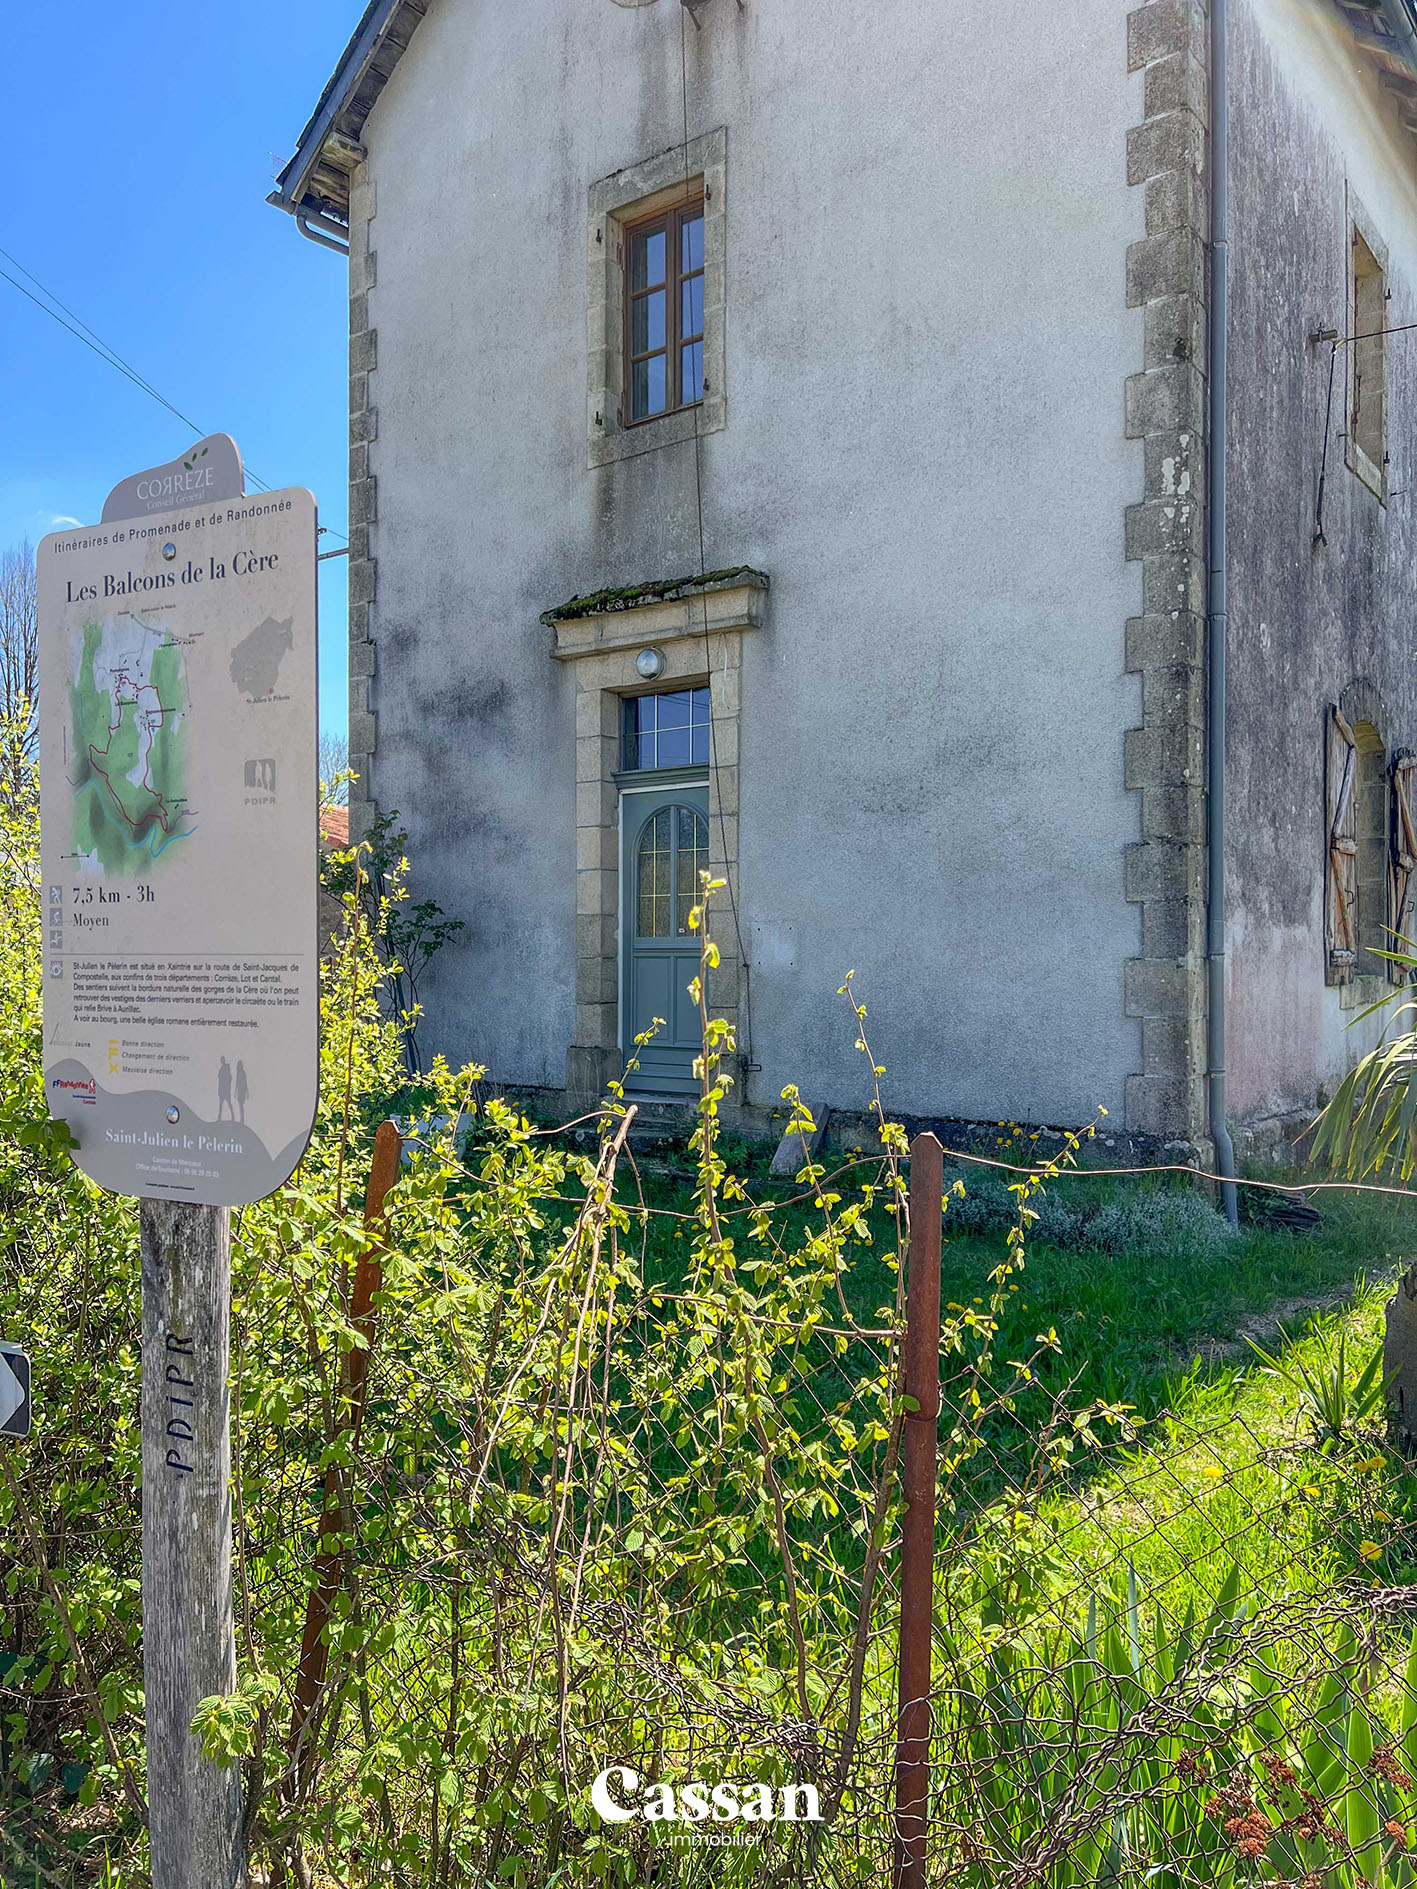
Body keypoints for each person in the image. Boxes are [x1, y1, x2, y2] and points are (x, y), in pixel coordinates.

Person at [217, 1057, 233, 1121]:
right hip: (222, 1090)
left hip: (225, 1090)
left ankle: (232, 1116)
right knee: (221, 1105)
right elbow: (220, 1080)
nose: (222, 1061)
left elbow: (229, 1079)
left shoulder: (226, 1068)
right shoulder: (222, 1069)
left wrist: (228, 1089)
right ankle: (219, 1118)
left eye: (222, 1060)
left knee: (228, 1104)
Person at [235, 1060, 249, 1125]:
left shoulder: (242, 1073)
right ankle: (242, 1118)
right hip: (240, 1091)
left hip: (242, 1091)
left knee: (241, 1105)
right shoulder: (239, 1073)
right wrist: (235, 1092)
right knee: (240, 1105)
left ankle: (242, 1118)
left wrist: (247, 1093)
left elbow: (245, 1083)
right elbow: (237, 1083)